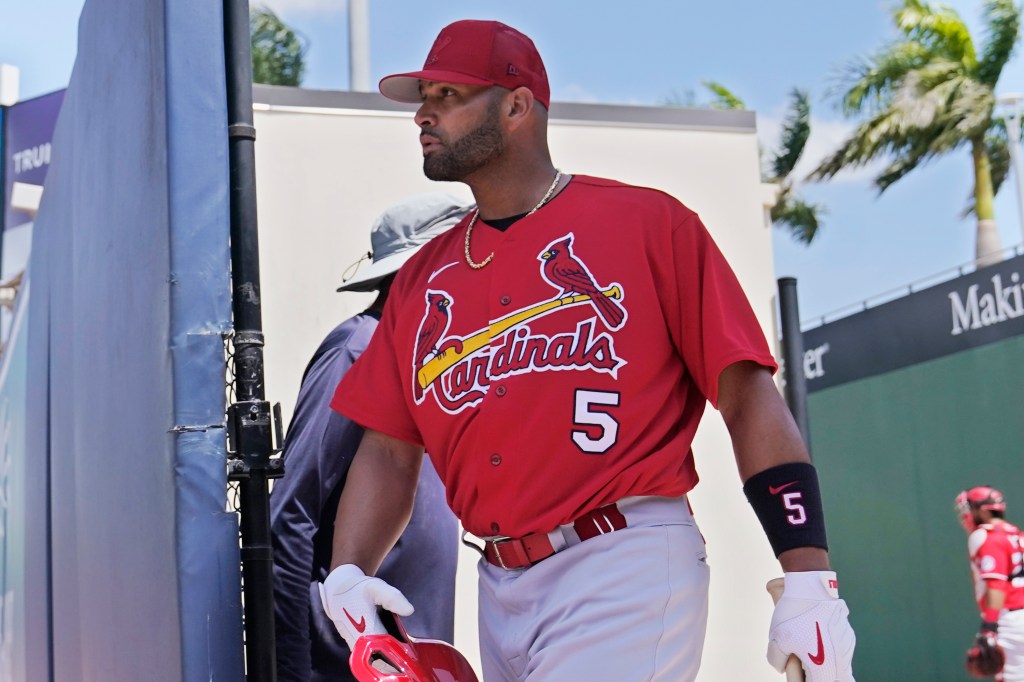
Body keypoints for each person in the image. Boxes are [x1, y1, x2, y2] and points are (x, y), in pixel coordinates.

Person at [317, 19, 857, 682]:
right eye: (424, 97)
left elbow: (745, 394)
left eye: (448, 95)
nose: (423, 114)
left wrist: (808, 576)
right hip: (498, 581)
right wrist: (348, 573)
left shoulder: (648, 224)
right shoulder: (423, 279)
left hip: (621, 560)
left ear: (517, 106)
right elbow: (388, 449)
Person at [269, 193, 472, 682]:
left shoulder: (434, 355)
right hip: (349, 657)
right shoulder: (358, 346)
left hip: (410, 654)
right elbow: (291, 514)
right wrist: (293, 669)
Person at [956, 486, 1024, 681]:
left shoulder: (986, 536)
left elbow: (996, 584)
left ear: (984, 511)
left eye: (970, 509)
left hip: (1012, 621)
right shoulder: (1017, 535)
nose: (966, 515)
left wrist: (989, 627)